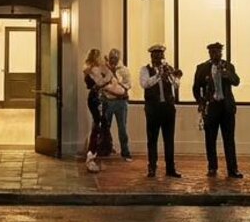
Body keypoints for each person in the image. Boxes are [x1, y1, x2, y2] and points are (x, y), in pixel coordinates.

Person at [191, 42, 242, 178]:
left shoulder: (228, 66)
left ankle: (233, 169)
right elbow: (196, 88)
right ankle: (212, 167)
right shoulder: (202, 68)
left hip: (226, 107)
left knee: (229, 139)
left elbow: (237, 81)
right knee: (210, 139)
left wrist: (227, 75)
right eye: (212, 52)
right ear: (209, 53)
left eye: (217, 52)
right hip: (211, 107)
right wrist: (201, 102)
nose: (215, 54)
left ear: (221, 53)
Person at [139, 44, 182, 179]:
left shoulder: (168, 69)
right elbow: (145, 84)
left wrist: (173, 76)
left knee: (169, 139)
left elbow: (176, 85)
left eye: (161, 55)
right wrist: (158, 75)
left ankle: (170, 168)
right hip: (153, 109)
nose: (159, 58)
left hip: (168, 108)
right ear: (152, 57)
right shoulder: (145, 70)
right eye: (156, 55)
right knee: (152, 139)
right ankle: (152, 167)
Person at [82, 49, 114, 172]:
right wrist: (108, 73)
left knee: (100, 124)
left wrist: (107, 70)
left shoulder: (92, 68)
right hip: (96, 97)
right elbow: (101, 82)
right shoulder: (92, 69)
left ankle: (96, 151)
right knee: (98, 125)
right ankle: (91, 156)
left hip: (98, 97)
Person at [103, 49, 133, 160]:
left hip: (121, 102)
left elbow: (129, 84)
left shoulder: (124, 70)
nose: (112, 60)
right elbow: (102, 83)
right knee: (105, 127)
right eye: (111, 57)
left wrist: (117, 80)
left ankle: (125, 152)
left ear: (119, 58)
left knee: (122, 129)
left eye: (115, 58)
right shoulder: (105, 69)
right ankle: (105, 149)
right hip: (108, 101)